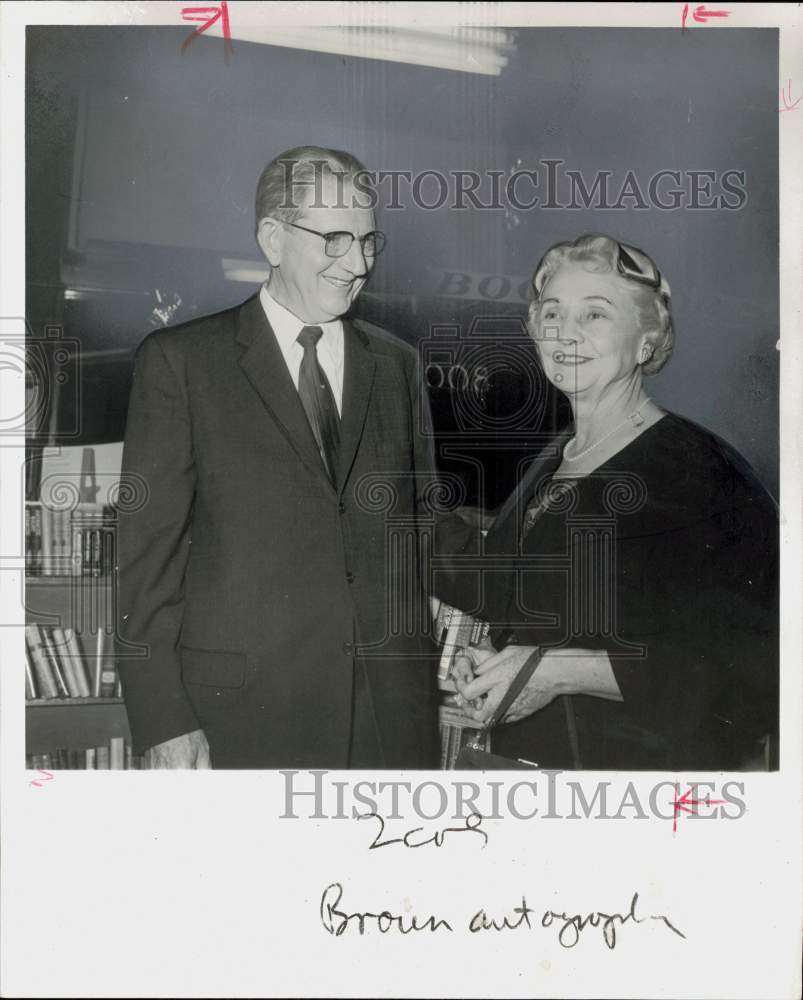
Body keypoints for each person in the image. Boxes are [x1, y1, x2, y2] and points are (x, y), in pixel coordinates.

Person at [116, 146, 439, 769]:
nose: (358, 265)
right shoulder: (181, 363)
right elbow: (145, 562)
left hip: (390, 716)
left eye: (370, 242)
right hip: (242, 716)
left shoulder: (397, 363)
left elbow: (418, 533)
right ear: (272, 237)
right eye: (336, 240)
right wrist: (163, 720)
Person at [438, 233, 778, 771]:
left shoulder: (704, 475)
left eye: (595, 315)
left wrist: (555, 671)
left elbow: (754, 665)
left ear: (647, 340)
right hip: (530, 775)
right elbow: (519, 600)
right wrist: (495, 663)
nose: (565, 333)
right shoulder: (554, 460)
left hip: (641, 795)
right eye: (551, 315)